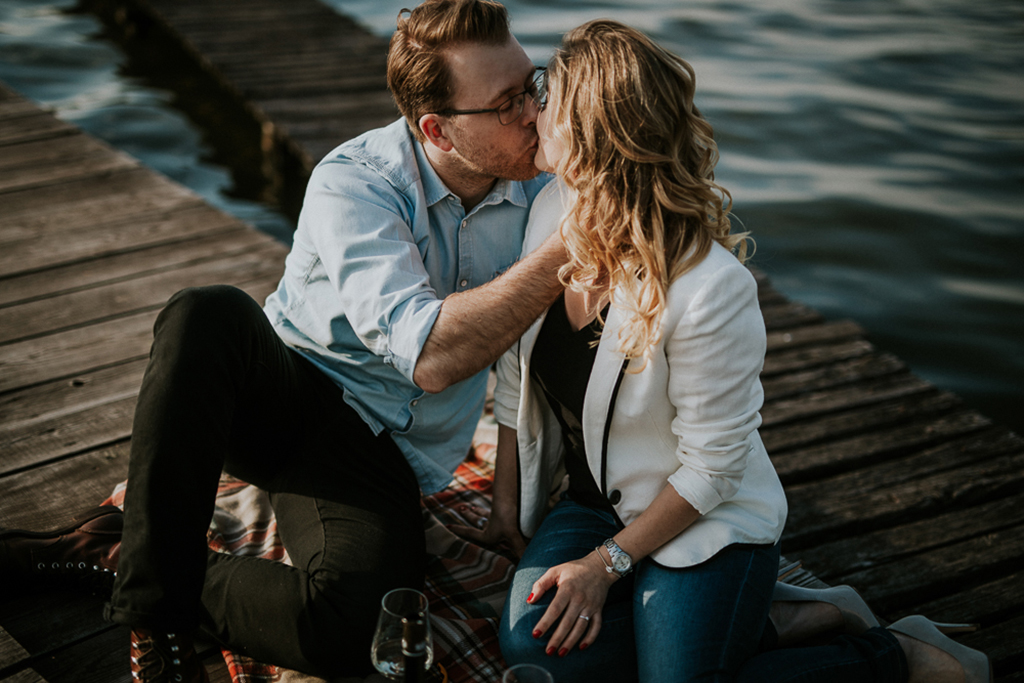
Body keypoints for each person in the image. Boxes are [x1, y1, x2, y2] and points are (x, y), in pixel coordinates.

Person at [0, 1, 568, 681]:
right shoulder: (355, 181)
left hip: (390, 456)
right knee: (203, 312)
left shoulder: (540, 193)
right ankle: (158, 610)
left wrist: (506, 508)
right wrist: (568, 249)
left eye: (529, 85)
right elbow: (433, 357)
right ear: (437, 130)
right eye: (506, 103)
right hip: (287, 399)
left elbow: (520, 361)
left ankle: (120, 554)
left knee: (361, 626)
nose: (534, 114)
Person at [451, 19, 991, 683]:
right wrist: (507, 507)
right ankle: (774, 624)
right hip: (595, 504)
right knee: (538, 648)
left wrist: (604, 566)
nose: (530, 113)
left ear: (593, 139)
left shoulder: (709, 287)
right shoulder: (549, 210)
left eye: (545, 99)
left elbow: (713, 469)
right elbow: (517, 375)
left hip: (701, 517)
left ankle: (893, 653)